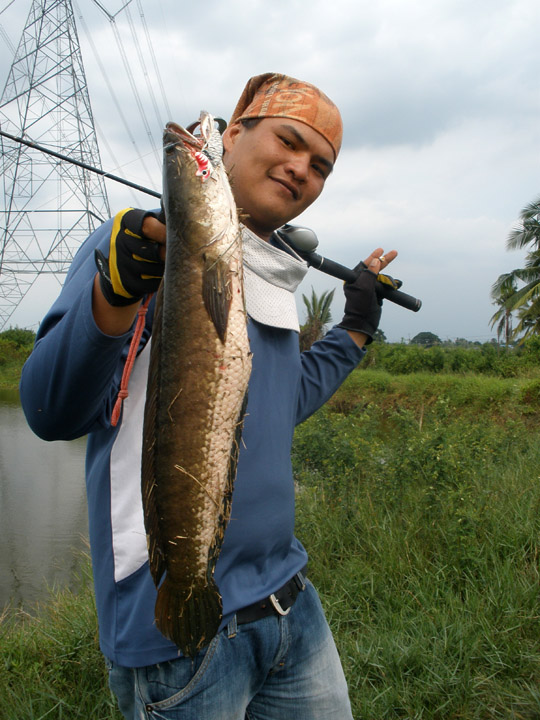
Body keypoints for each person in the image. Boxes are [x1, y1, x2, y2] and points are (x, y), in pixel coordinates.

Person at [20, 72, 397, 719]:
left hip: (289, 602)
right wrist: (112, 297)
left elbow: (283, 403)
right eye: (289, 139)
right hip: (174, 638)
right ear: (233, 134)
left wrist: (355, 330)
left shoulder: (272, 275)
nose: (302, 167)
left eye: (321, 165)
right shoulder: (139, 247)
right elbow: (51, 411)